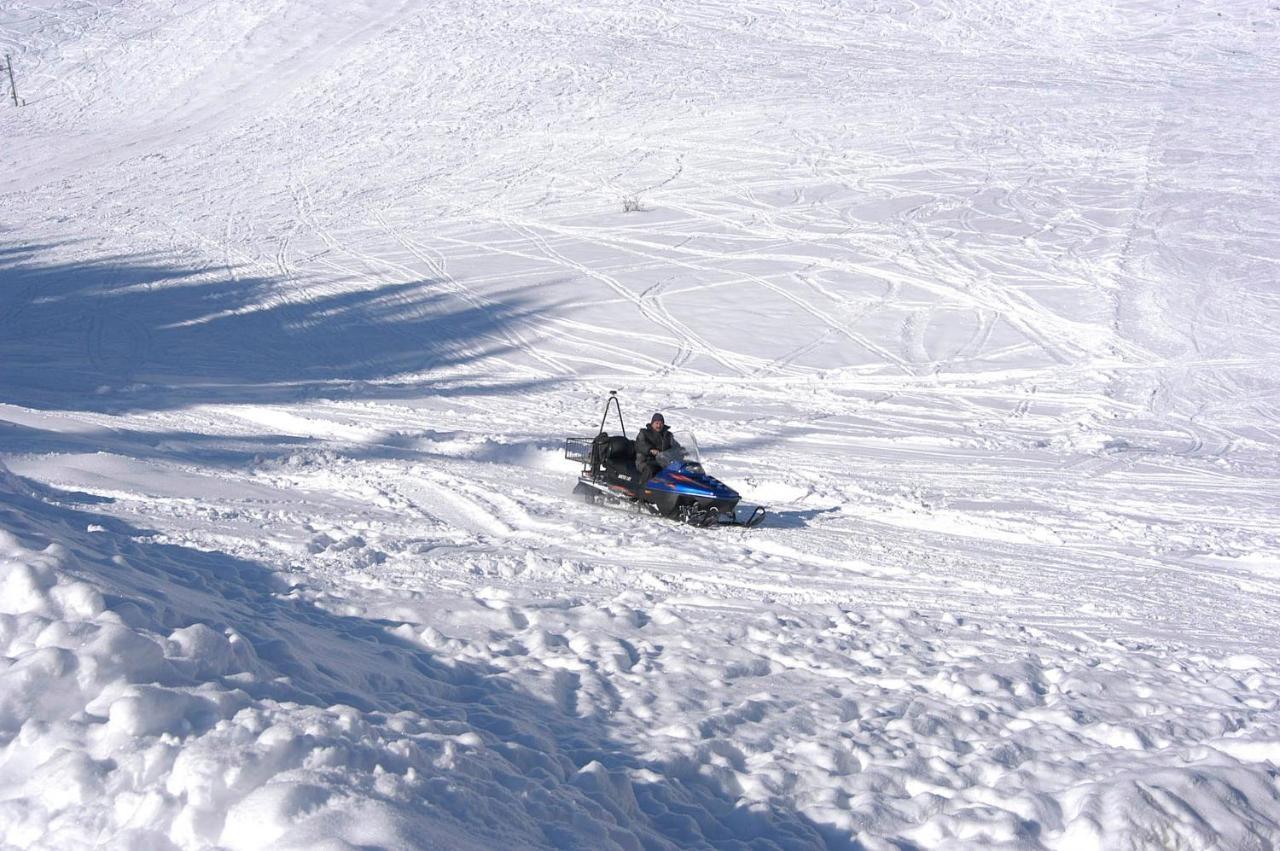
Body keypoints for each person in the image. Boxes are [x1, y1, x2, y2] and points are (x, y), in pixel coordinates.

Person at [635, 412, 681, 490]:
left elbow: (675, 446)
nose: (659, 425)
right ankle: (641, 490)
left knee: (679, 470)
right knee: (650, 469)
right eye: (656, 423)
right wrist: (650, 450)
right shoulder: (644, 433)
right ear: (652, 423)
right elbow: (639, 444)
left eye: (661, 423)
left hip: (663, 462)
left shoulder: (667, 435)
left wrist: (681, 451)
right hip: (646, 461)